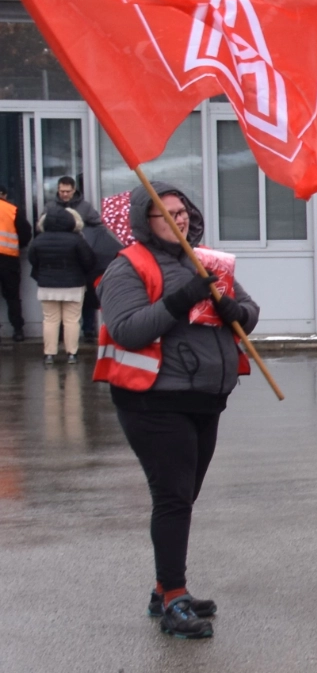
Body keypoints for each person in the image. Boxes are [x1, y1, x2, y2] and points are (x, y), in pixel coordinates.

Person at [96, 182, 259, 639]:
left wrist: (236, 312)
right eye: (164, 213)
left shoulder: (206, 259)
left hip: (206, 397)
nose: (178, 218)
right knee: (172, 496)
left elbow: (249, 308)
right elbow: (127, 329)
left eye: (182, 210)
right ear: (142, 223)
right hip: (153, 399)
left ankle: (162, 587)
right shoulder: (127, 268)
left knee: (184, 494)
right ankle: (173, 598)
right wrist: (182, 298)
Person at [27, 207, 95, 364]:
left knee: (50, 320)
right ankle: (72, 353)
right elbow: (89, 261)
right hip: (73, 285)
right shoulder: (77, 239)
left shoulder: (39, 240)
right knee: (71, 320)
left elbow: (33, 260)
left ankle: (49, 354)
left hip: (47, 285)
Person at [0, 185, 33, 343]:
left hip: (8, 258)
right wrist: (16, 245)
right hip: (9, 260)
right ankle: (18, 330)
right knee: (13, 297)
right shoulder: (12, 210)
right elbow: (26, 234)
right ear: (4, 195)